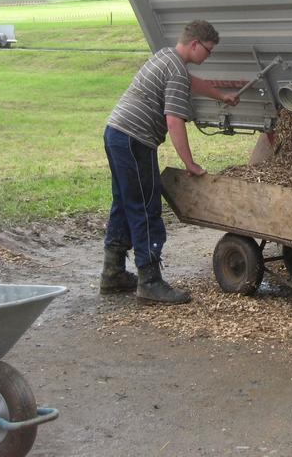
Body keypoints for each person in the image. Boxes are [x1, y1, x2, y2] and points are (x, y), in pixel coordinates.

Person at [100, 20, 239, 304]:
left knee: (124, 203)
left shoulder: (166, 56)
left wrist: (221, 95)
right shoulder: (175, 70)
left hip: (116, 132)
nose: (208, 57)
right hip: (134, 139)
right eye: (208, 51)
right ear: (195, 44)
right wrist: (190, 164)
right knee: (145, 207)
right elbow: (175, 121)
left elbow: (192, 82)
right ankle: (149, 282)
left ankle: (112, 273)